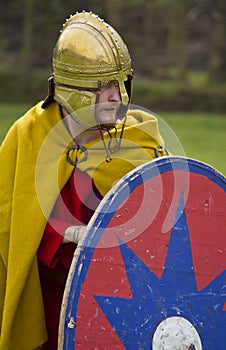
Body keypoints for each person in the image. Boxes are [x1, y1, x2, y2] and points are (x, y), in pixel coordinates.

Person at [0, 11, 167, 350]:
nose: (116, 96)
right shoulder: (28, 135)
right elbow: (8, 217)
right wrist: (66, 234)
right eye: (104, 86)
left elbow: (165, 225)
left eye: (121, 82)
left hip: (119, 296)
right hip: (48, 294)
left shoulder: (137, 138)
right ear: (73, 89)